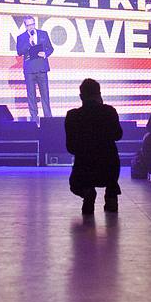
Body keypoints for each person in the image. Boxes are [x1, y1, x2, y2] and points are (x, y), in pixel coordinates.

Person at [65, 78, 122, 215]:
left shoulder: (72, 116)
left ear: (81, 96)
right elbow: (118, 135)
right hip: (109, 167)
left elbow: (71, 147)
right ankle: (111, 195)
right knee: (111, 171)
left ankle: (87, 192)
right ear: (99, 94)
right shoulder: (109, 111)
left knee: (75, 183)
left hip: (84, 168)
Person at [15, 15, 54, 121]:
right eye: (28, 25)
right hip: (29, 70)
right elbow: (19, 52)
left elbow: (50, 48)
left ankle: (48, 119)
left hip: (42, 68)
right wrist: (29, 43)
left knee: (45, 95)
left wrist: (45, 54)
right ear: (25, 26)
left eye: (32, 24)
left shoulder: (43, 34)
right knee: (31, 95)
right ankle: (34, 119)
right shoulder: (21, 37)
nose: (31, 27)